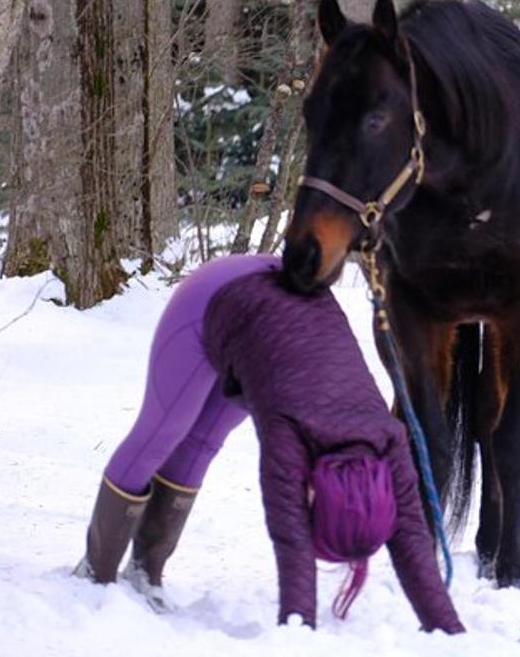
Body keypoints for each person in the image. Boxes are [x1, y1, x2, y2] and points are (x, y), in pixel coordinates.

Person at [74, 254, 464, 632]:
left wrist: (452, 635)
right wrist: (298, 629)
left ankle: (146, 572)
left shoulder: (387, 438)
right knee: (161, 434)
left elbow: (412, 539)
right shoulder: (289, 431)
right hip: (216, 295)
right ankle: (96, 573)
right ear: (317, 499)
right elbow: (290, 538)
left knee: (201, 444)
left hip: (271, 328)